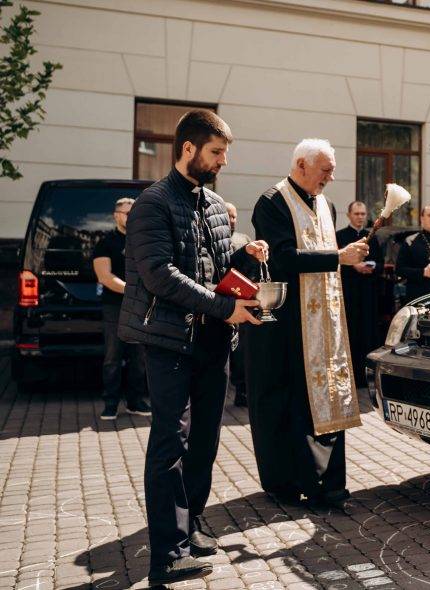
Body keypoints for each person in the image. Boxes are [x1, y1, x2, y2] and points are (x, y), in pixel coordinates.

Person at [118, 109, 269, 585]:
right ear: (188, 149)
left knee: (205, 439)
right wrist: (225, 309)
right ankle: (166, 553)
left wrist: (247, 253)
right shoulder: (152, 204)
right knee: (171, 443)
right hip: (168, 340)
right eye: (217, 152)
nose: (223, 161)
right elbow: (160, 275)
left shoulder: (212, 202)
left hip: (212, 341)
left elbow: (218, 266)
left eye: (225, 153)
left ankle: (191, 527)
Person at [245, 138, 369, 509]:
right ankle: (288, 482)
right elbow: (281, 258)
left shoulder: (327, 205)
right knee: (288, 403)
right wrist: (338, 257)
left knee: (327, 399)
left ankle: (327, 483)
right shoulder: (272, 202)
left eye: (332, 170)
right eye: (325, 170)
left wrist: (343, 257)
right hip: (288, 326)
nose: (330, 177)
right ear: (301, 165)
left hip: (325, 324)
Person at [93, 197, 150, 420]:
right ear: (116, 215)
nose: (131, 216)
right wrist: (134, 290)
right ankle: (110, 404)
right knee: (112, 357)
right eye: (127, 213)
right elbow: (105, 277)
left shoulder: (144, 242)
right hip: (114, 307)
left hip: (140, 307)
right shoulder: (105, 243)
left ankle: (135, 402)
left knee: (139, 357)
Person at [336, 201, 382, 387]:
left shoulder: (372, 236)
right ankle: (350, 377)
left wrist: (371, 267)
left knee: (368, 333)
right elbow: (334, 262)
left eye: (363, 214)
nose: (360, 217)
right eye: (356, 214)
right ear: (349, 215)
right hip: (348, 293)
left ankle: (367, 377)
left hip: (368, 294)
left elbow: (380, 263)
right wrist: (353, 264)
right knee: (350, 333)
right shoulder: (340, 236)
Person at [225, 202, 253, 408]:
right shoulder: (215, 239)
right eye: (228, 216)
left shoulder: (244, 239)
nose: (232, 220)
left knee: (242, 350)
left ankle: (242, 391)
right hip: (221, 301)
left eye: (234, 216)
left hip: (243, 300)